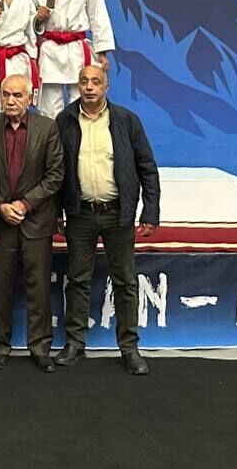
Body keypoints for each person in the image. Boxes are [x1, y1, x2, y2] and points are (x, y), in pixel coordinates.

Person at [54, 64, 159, 376]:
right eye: (84, 81)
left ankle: (129, 348)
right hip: (80, 214)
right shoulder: (65, 120)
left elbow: (147, 167)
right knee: (77, 280)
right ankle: (74, 343)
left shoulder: (126, 120)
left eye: (95, 82)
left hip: (118, 213)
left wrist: (150, 211)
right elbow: (56, 169)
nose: (89, 87)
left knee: (125, 282)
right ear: (78, 86)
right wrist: (57, 211)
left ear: (106, 87)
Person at [0, 75, 64, 372]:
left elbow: (55, 175)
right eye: (6, 95)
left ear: (30, 98)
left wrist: (25, 204)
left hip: (35, 220)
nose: (10, 101)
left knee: (38, 288)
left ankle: (40, 348)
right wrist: (0, 205)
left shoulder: (47, 128)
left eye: (17, 95)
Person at [28, 0, 115, 117]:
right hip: (50, 49)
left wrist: (102, 52)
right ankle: (52, 137)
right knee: (49, 109)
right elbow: (29, 22)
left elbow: (98, 16)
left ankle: (81, 136)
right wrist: (38, 18)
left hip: (77, 48)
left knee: (81, 101)